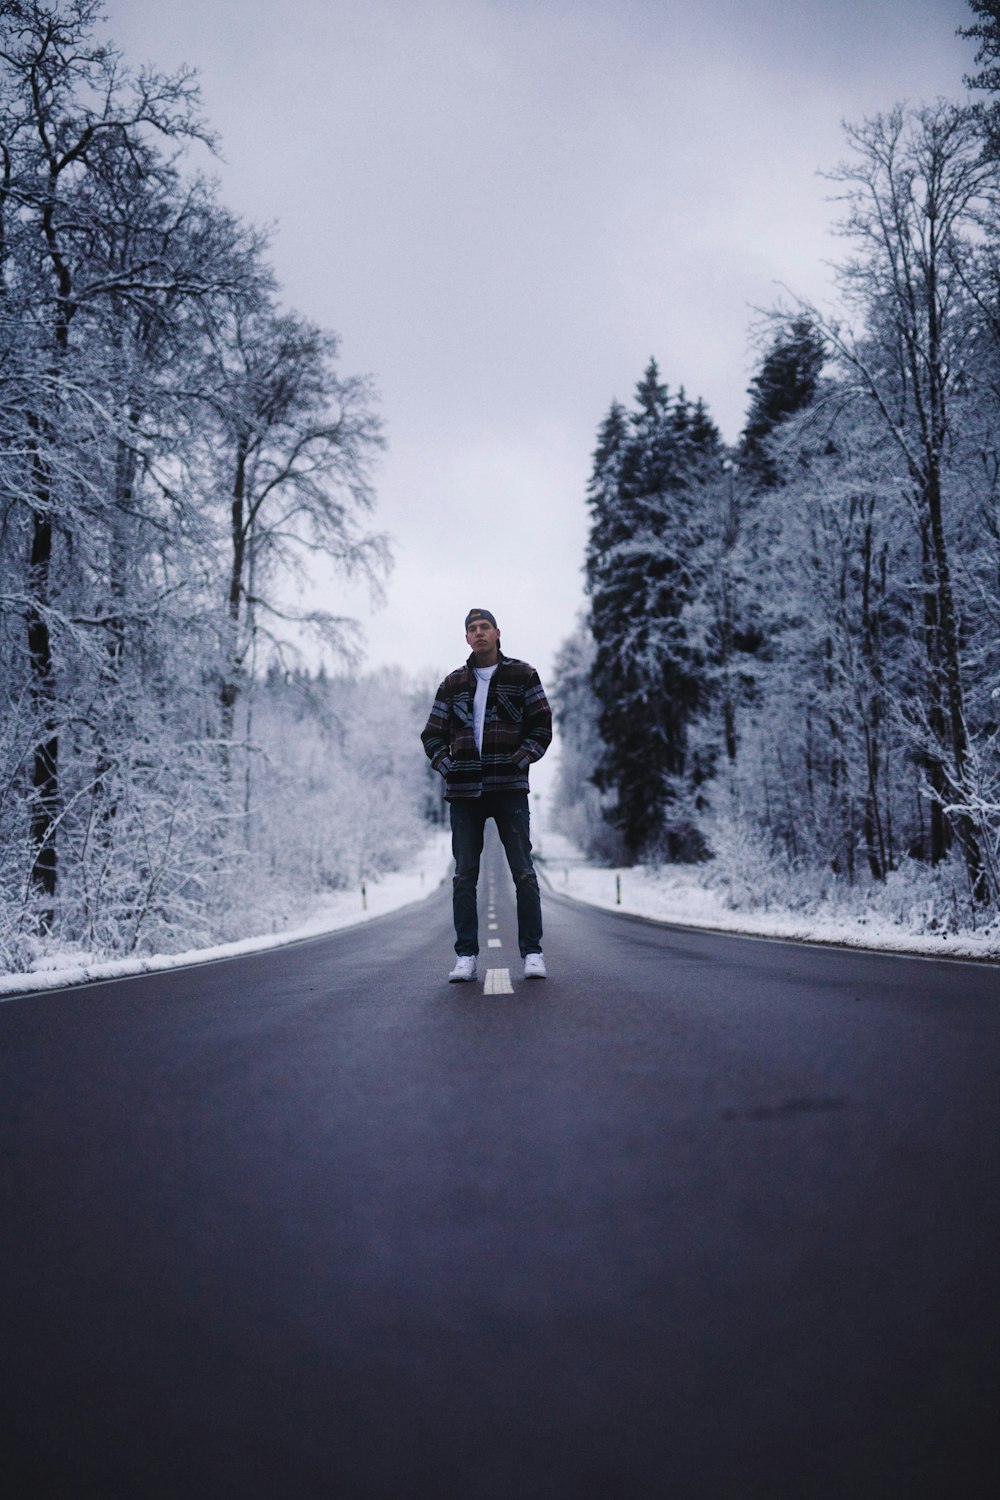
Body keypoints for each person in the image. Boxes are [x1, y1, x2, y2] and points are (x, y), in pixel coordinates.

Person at [421, 608, 552, 982]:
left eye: (484, 628)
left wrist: (519, 760)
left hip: (509, 788)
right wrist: (448, 766)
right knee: (464, 876)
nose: (478, 634)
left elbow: (542, 727)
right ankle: (466, 956)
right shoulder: (451, 684)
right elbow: (431, 735)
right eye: (472, 629)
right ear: (466, 638)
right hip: (464, 792)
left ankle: (533, 953)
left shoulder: (523, 675)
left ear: (497, 633)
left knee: (523, 873)